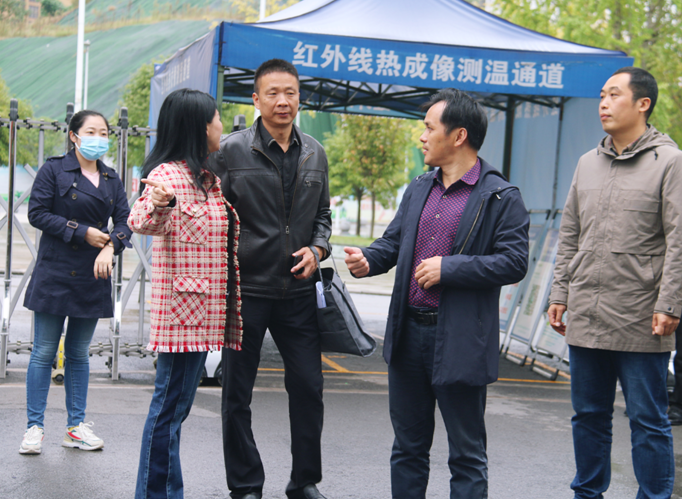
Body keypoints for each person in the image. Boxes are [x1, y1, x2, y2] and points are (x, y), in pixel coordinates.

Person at [344, 88, 529, 499]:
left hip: (460, 340)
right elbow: (393, 242)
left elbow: (514, 262)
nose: (422, 136)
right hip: (408, 335)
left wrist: (450, 268)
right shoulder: (419, 188)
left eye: (429, 128)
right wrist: (368, 259)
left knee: (466, 455)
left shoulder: (501, 197)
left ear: (458, 136)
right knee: (408, 449)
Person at [548, 67, 682, 499]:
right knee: (588, 416)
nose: (603, 104)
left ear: (643, 104)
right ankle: (587, 494)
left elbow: (679, 238)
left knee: (647, 420)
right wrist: (560, 292)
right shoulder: (588, 163)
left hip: (641, 317)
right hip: (587, 313)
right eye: (602, 95)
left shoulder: (670, 162)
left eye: (614, 95)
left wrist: (670, 303)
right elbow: (571, 233)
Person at [207, 59, 332, 499]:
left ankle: (304, 482)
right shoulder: (230, 151)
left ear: (300, 98)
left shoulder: (316, 152)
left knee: (309, 388)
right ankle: (245, 484)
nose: (283, 101)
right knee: (236, 393)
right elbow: (212, 215)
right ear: (256, 99)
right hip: (245, 292)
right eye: (273, 93)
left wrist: (318, 249)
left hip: (298, 291)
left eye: (290, 93)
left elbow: (323, 216)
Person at [128, 88, 242, 499]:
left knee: (175, 410)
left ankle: (164, 490)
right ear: (199, 126)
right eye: (216, 118)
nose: (221, 125)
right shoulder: (167, 176)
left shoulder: (206, 178)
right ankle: (155, 493)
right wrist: (160, 203)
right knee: (168, 410)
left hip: (201, 316)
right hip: (182, 318)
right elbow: (141, 220)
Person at [19, 109, 132, 454]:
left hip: (93, 274)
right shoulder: (54, 170)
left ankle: (75, 428)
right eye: (91, 132)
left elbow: (125, 221)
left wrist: (110, 247)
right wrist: (81, 232)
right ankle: (34, 428)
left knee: (79, 354)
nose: (99, 138)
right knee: (43, 352)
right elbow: (37, 213)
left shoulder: (111, 178)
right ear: (74, 136)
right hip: (55, 271)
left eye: (104, 133)